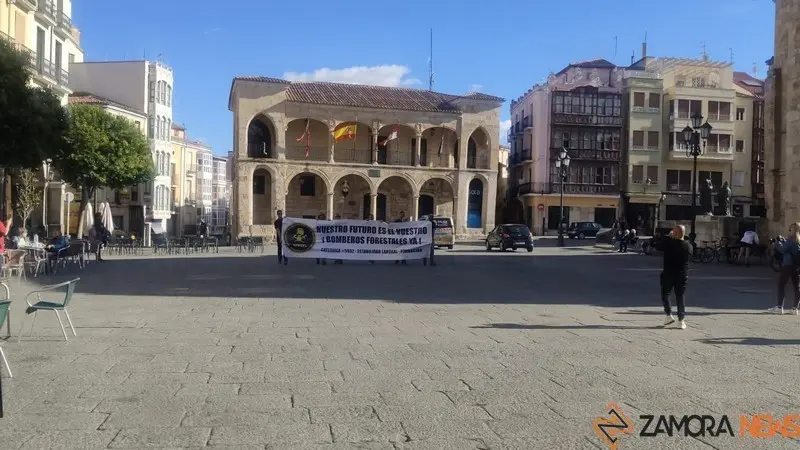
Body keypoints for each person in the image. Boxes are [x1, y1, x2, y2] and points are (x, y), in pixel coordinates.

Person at [660, 225, 693, 329]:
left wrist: (668, 237)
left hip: (668, 273)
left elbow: (658, 245)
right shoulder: (688, 246)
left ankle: (668, 314)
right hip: (682, 274)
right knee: (680, 296)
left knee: (665, 293)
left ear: (675, 233)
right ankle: (681, 320)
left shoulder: (669, 244)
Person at [770, 222, 800, 315]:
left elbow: (781, 249)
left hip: (787, 265)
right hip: (797, 267)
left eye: (790, 229)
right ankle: (795, 309)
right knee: (797, 287)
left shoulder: (791, 241)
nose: (789, 231)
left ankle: (779, 307)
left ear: (793, 230)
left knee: (781, 285)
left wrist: (778, 241)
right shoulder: (798, 241)